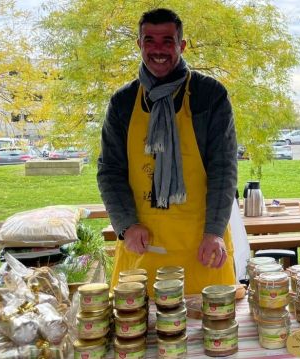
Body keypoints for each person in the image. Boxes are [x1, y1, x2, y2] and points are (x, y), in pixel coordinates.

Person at [97, 8, 238, 295]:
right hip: (142, 245)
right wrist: (126, 224)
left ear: (181, 45)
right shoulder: (123, 102)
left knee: (212, 320)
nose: (158, 50)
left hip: (202, 245)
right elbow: (110, 171)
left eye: (167, 41)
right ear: (139, 44)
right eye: (150, 40)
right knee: (136, 320)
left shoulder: (209, 95)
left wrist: (214, 231)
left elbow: (223, 170)